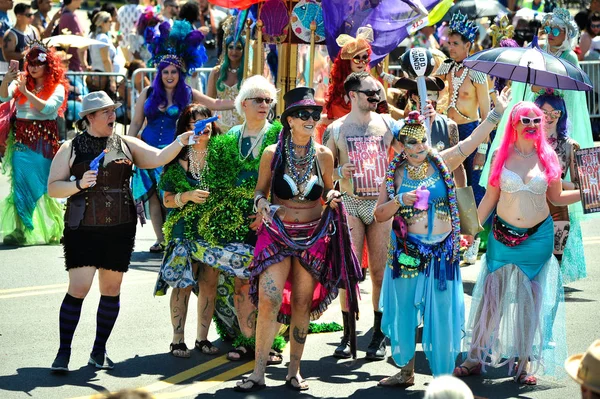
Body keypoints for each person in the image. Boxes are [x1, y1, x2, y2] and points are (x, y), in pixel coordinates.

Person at [47, 91, 195, 372]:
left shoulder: (125, 143)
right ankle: (63, 352)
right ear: (90, 117)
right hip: (83, 227)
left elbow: (159, 158)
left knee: (111, 289)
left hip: (120, 226)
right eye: (105, 112)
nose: (112, 115)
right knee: (79, 288)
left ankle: (98, 350)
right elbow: (53, 187)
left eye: (113, 110)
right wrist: (78, 184)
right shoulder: (71, 147)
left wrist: (180, 141)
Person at [375, 88, 510, 386]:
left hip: (442, 253)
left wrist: (496, 113)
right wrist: (400, 199)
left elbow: (470, 142)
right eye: (412, 141)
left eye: (423, 139)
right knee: (405, 312)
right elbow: (379, 215)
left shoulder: (441, 162)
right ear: (401, 146)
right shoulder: (394, 174)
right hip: (407, 252)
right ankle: (406, 372)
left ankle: (444, 379)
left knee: (443, 315)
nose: (420, 145)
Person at [235, 87, 359, 392]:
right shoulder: (272, 154)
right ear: (289, 120)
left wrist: (332, 196)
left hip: (313, 236)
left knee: (302, 302)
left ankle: (294, 371)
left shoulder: (324, 155)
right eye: (303, 114)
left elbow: (329, 189)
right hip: (277, 234)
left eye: (314, 114)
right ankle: (258, 372)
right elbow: (259, 192)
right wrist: (261, 204)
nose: (310, 118)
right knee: (270, 298)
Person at [455, 101, 581, 385]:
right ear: (513, 123)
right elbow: (489, 198)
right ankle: (474, 357)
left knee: (530, 303)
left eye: (537, 121)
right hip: (502, 236)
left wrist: (587, 192)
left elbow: (557, 198)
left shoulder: (547, 156)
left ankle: (524, 363)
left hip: (538, 238)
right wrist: (471, 230)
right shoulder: (500, 155)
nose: (533, 125)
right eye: (526, 120)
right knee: (492, 297)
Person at [129, 20, 234, 253]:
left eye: (173, 72)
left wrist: (245, 100)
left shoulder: (187, 93)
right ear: (160, 73)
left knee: (169, 195)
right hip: (147, 152)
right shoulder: (147, 93)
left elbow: (215, 103)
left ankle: (173, 234)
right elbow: (136, 122)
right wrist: (127, 147)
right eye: (165, 71)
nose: (169, 75)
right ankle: (161, 239)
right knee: (154, 199)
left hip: (174, 152)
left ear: (180, 73)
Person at [324, 72, 400, 361]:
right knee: (349, 274)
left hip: (380, 206)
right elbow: (324, 171)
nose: (376, 96)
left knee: (380, 272)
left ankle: (378, 335)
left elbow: (410, 157)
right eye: (369, 92)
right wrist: (337, 174)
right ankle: (347, 334)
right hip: (351, 203)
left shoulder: (388, 125)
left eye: (378, 91)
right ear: (352, 95)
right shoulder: (336, 130)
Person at [155, 104, 222, 357]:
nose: (201, 128)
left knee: (209, 282)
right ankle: (177, 340)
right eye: (194, 124)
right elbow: (167, 200)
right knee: (182, 284)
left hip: (212, 228)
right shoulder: (176, 159)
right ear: (185, 129)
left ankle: (202, 339)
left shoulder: (221, 155)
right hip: (183, 229)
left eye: (206, 122)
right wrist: (188, 195)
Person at [0, 42, 69, 245]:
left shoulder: (57, 87)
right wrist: (6, 80)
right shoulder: (21, 82)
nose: (33, 67)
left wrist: (27, 93)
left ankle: (58, 226)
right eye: (29, 63)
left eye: (37, 63)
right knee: (21, 185)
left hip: (44, 142)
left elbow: (48, 109)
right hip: (22, 140)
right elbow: (3, 95)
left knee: (47, 185)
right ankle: (19, 230)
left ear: (49, 66)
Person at [436, 12, 490, 259]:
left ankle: (474, 240)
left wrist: (481, 149)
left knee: (473, 188)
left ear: (468, 45)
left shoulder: (478, 72)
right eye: (449, 43)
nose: (450, 47)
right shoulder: (446, 66)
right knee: (449, 186)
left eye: (456, 43)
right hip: (448, 132)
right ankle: (452, 237)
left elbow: (488, 114)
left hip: (471, 130)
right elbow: (425, 85)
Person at [534, 89, 586, 284]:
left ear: (561, 114)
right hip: (530, 206)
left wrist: (554, 179)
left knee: (555, 264)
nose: (549, 117)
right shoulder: (528, 142)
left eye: (554, 112)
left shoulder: (571, 146)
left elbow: (579, 185)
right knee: (532, 261)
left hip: (558, 210)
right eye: (543, 112)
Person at [317, 26, 373, 144]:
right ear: (347, 60)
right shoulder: (336, 87)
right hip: (336, 141)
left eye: (365, 58)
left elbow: (379, 118)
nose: (361, 62)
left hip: (360, 143)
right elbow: (330, 118)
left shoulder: (372, 86)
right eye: (357, 58)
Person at [206, 21, 245, 132]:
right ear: (226, 49)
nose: (234, 51)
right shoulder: (216, 72)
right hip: (219, 126)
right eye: (231, 47)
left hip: (242, 127)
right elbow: (209, 102)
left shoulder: (248, 74)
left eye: (238, 48)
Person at [87, 11, 123, 97]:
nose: (111, 24)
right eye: (110, 21)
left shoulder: (92, 35)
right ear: (103, 23)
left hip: (97, 74)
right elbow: (106, 60)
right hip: (104, 76)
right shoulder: (102, 37)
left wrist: (85, 64)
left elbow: (80, 51)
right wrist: (112, 80)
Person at [3, 3, 40, 70]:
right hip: (18, 75)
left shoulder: (34, 30)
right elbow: (7, 56)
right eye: (28, 15)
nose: (32, 17)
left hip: (34, 73)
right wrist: (25, 53)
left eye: (32, 14)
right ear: (18, 16)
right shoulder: (11, 34)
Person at [58, 0, 88, 73]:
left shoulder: (69, 14)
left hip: (75, 64)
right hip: (73, 65)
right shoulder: (69, 16)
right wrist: (84, 63)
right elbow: (77, 40)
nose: (81, 1)